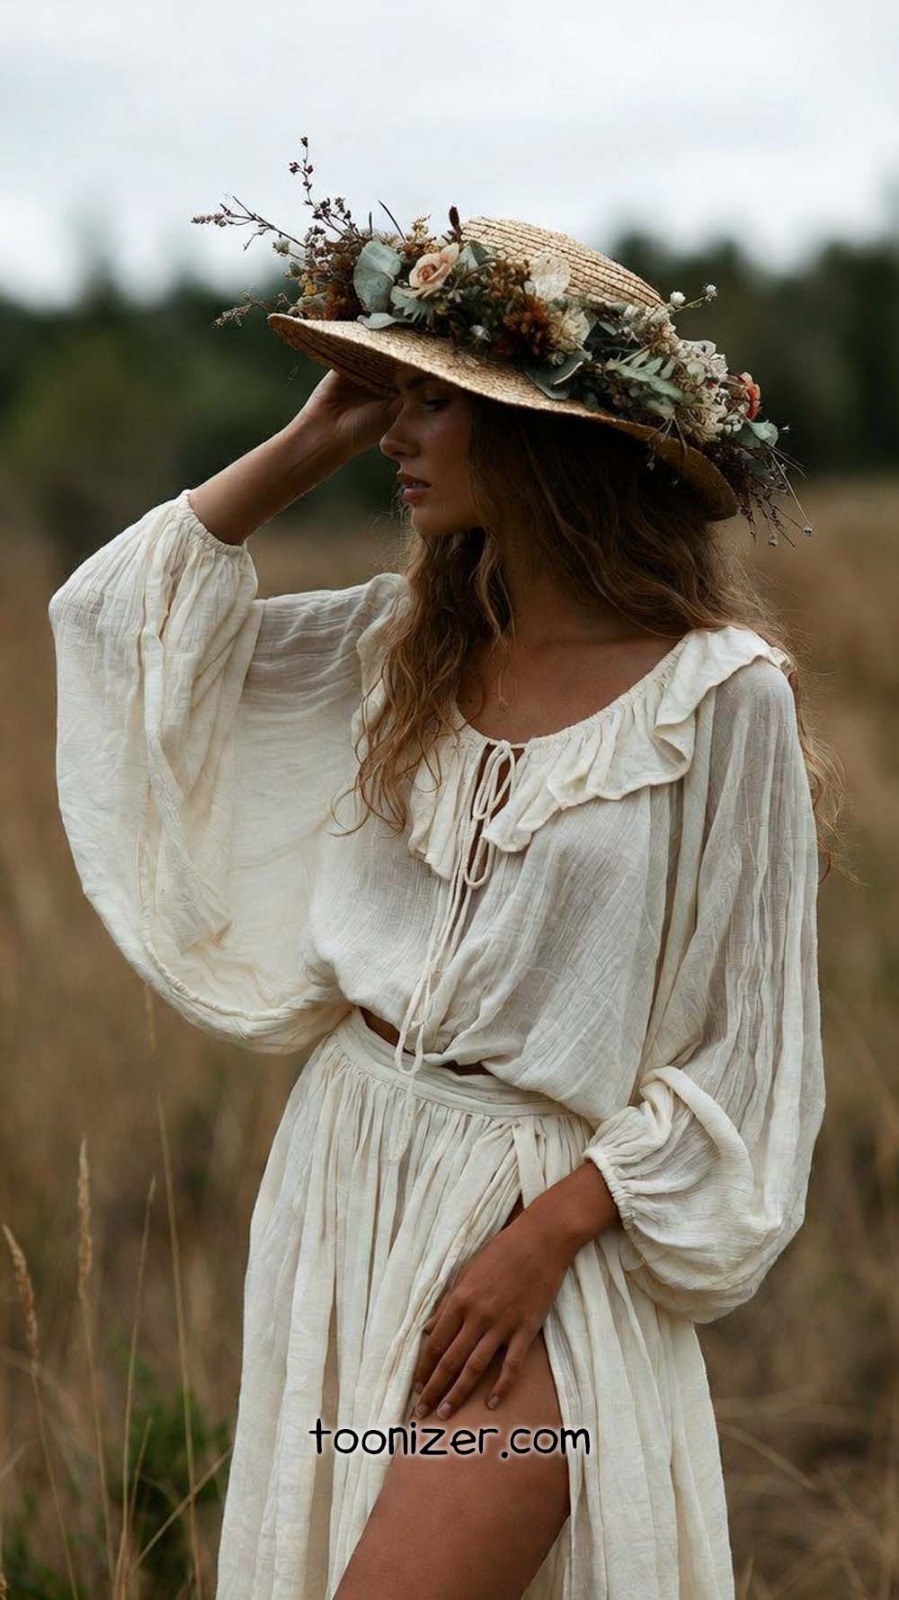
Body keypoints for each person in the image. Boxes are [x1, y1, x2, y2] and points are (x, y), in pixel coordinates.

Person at [47, 210, 827, 1600]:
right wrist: (314, 438)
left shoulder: (723, 702)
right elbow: (118, 625)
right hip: (348, 1171)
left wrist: (546, 1237)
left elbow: (750, 1059)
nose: (396, 434)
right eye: (389, 399)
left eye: (430, 404)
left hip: (547, 1232)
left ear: (533, 432)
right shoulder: (396, 643)